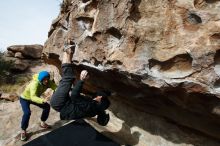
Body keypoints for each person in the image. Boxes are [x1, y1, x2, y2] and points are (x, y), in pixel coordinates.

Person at [50, 40, 110, 126]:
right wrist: (110, 93)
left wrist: (82, 80)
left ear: (99, 102)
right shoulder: (94, 108)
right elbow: (96, 96)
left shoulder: (90, 107)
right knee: (67, 80)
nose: (99, 96)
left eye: (101, 98)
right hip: (64, 103)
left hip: (59, 102)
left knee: (68, 78)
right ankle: (67, 52)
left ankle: (68, 51)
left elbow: (74, 95)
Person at [19, 71, 57, 141]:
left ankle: (42, 123)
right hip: (25, 98)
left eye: (47, 79)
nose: (46, 81)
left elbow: (55, 87)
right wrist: (42, 100)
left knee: (47, 107)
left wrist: (57, 91)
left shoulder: (48, 82)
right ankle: (23, 130)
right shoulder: (35, 84)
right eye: (44, 79)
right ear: (41, 79)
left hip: (34, 97)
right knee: (27, 113)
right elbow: (33, 97)